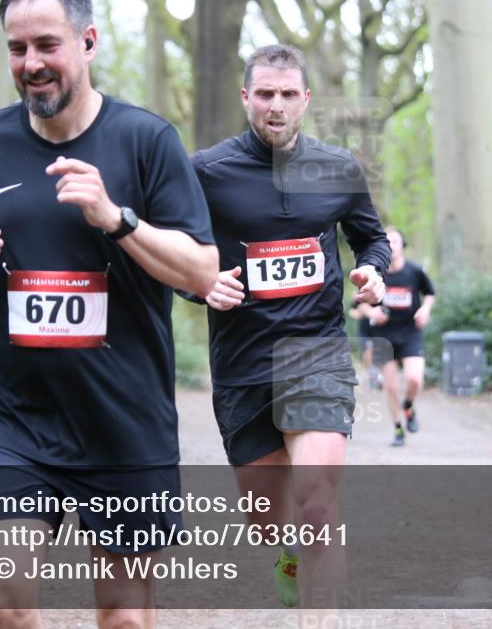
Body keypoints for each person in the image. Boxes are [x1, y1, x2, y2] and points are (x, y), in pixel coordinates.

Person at [0, 0, 217, 629]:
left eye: (47, 45)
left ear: (87, 42)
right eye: (17, 48)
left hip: (124, 423)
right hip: (15, 422)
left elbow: (202, 270)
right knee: (4, 605)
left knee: (124, 617)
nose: (31, 63)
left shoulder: (147, 140)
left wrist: (117, 218)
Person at [187, 44, 390, 609]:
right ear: (245, 97)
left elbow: (370, 238)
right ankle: (286, 551)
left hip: (316, 354)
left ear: (306, 99)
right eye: (265, 94)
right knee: (268, 519)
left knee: (318, 504)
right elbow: (172, 250)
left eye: (287, 94)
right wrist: (200, 285)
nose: (275, 105)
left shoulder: (339, 168)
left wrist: (372, 271)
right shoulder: (206, 171)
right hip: (243, 361)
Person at [360, 228, 435, 447]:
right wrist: (372, 312)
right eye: (387, 242)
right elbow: (360, 302)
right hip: (384, 336)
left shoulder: (415, 271)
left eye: (395, 241)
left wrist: (425, 310)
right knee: (391, 386)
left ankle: (408, 406)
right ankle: (398, 428)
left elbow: (429, 294)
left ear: (403, 245)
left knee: (414, 379)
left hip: (410, 333)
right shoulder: (375, 274)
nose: (391, 246)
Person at [347, 298, 381, 390]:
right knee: (367, 352)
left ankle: (378, 375)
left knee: (376, 352)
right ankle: (372, 375)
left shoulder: (381, 292)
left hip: (379, 329)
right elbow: (351, 311)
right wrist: (359, 314)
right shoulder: (359, 295)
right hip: (365, 329)